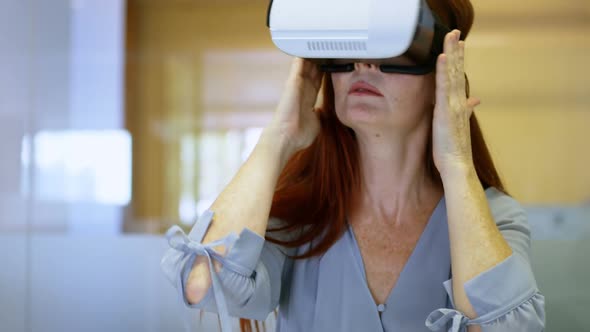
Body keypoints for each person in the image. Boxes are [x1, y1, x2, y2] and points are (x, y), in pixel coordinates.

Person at [161, 1, 546, 331]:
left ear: (442, 74)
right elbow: (202, 283)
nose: (364, 63)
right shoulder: (301, 215)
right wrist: (278, 137)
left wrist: (457, 163)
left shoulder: (493, 219)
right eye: (350, 47)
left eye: (395, 46)